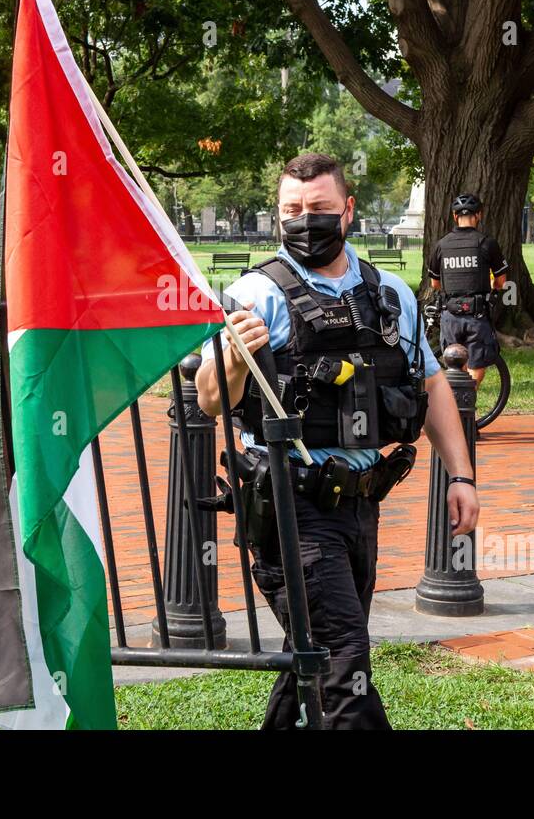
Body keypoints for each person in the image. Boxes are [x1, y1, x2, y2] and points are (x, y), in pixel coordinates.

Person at [196, 153, 479, 729]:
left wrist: (461, 474)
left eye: (319, 208)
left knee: (317, 658)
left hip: (360, 504)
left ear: (347, 211)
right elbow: (211, 400)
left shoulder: (389, 294)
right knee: (344, 663)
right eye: (291, 211)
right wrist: (230, 353)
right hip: (288, 508)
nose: (305, 220)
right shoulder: (256, 293)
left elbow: (430, 382)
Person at [427, 193, 509, 387]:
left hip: (450, 315)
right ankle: (468, 406)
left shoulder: (442, 245)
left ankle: (455, 408)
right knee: (476, 366)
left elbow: (434, 284)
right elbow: (502, 282)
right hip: (477, 316)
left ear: (455, 216)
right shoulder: (487, 243)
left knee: (454, 366)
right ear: (479, 215)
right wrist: (493, 287)